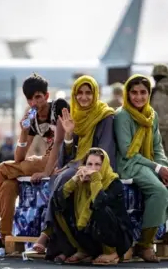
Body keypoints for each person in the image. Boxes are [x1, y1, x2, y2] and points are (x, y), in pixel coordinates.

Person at [33, 75, 116, 261]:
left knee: (64, 179)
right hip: (77, 164)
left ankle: (46, 233)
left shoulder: (105, 116)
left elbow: (104, 150)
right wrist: (69, 135)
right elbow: (68, 154)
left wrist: (79, 165)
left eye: (88, 93)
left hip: (96, 166)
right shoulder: (75, 115)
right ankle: (66, 247)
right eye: (80, 93)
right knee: (58, 178)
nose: (84, 97)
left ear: (95, 94)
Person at [114, 74, 168, 262]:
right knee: (158, 191)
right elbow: (128, 152)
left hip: (150, 162)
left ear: (149, 94)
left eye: (143, 92)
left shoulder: (152, 115)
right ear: (127, 93)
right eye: (133, 92)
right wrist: (157, 169)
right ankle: (145, 244)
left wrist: (165, 168)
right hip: (130, 164)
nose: (138, 97)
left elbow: (158, 148)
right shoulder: (122, 115)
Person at [0, 73, 69, 240]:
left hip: (62, 161)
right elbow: (19, 158)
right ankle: (5, 236)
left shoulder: (58, 106)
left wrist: (46, 172)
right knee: (8, 184)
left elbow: (59, 143)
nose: (34, 103)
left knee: (3, 167)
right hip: (45, 160)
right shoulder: (33, 117)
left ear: (46, 96)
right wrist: (24, 131)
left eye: (37, 97)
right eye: (30, 99)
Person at [45, 148, 132, 265]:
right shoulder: (81, 182)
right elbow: (59, 197)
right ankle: (84, 250)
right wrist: (75, 179)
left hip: (116, 239)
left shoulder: (114, 183)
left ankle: (111, 253)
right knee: (59, 205)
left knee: (99, 208)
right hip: (93, 236)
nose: (93, 168)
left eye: (98, 165)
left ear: (105, 165)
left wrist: (96, 179)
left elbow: (100, 202)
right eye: (89, 164)